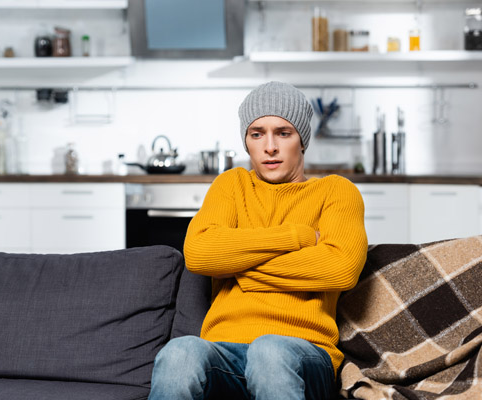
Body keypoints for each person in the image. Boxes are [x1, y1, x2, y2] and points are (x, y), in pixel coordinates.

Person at [147, 82, 368, 400]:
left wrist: (236, 265)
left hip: (302, 354)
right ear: (246, 142)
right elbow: (199, 253)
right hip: (224, 353)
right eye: (256, 133)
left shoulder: (336, 191)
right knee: (180, 351)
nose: (270, 147)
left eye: (283, 132)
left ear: (301, 141)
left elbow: (340, 268)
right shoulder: (230, 185)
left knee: (269, 350)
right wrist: (297, 237)